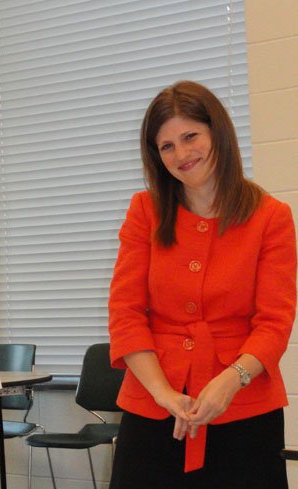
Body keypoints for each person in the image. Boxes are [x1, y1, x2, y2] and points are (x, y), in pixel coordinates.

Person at [108, 80, 296, 489]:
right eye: (167, 146)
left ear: (218, 133)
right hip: (154, 408)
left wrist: (231, 380)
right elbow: (125, 314)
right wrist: (162, 393)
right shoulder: (145, 211)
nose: (182, 154)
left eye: (190, 136)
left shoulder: (271, 217)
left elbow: (274, 323)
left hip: (244, 409)